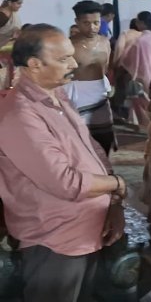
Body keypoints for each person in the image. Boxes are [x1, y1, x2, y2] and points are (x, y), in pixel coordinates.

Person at [0, 24, 126, 301]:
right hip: (55, 238)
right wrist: (116, 184)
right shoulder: (20, 114)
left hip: (88, 230)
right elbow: (65, 182)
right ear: (34, 64)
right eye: (64, 59)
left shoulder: (57, 95)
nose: (74, 64)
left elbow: (93, 150)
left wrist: (113, 203)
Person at [63, 0, 114, 155]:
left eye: (96, 23)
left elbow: (106, 69)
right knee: (79, 143)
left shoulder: (105, 42)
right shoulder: (69, 45)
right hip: (77, 97)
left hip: (100, 95)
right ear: (77, 22)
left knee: (103, 139)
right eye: (86, 23)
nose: (92, 27)